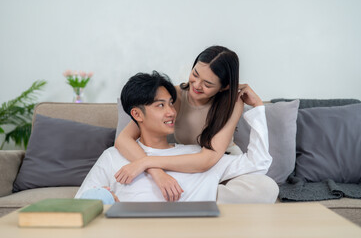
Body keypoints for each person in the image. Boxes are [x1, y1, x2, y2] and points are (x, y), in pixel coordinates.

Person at [75, 72, 272, 203]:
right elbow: (81, 203)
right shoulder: (113, 157)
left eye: (171, 103)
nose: (171, 112)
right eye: (160, 105)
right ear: (137, 115)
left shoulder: (196, 155)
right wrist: (109, 203)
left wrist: (258, 109)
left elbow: (258, 164)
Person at [114, 46, 278, 203]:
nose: (197, 85)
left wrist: (146, 162)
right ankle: (206, 201)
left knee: (265, 189)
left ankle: (200, 200)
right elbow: (123, 139)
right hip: (186, 163)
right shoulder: (174, 96)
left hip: (222, 163)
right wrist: (155, 171)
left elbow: (208, 159)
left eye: (207, 84)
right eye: (195, 74)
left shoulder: (233, 102)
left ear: (224, 87)